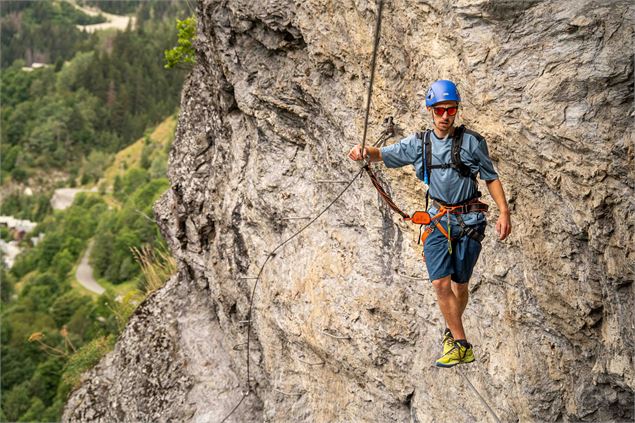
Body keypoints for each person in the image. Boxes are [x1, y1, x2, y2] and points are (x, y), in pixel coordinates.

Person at [348, 79, 511, 367]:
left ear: (457, 110)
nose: (445, 116)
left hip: (468, 221)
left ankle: (452, 334)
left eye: (451, 110)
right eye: (439, 111)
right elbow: (385, 155)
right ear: (430, 110)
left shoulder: (472, 142)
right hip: (438, 221)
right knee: (440, 282)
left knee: (460, 285)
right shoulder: (420, 143)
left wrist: (504, 212)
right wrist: (364, 153)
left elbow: (490, 176)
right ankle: (461, 344)